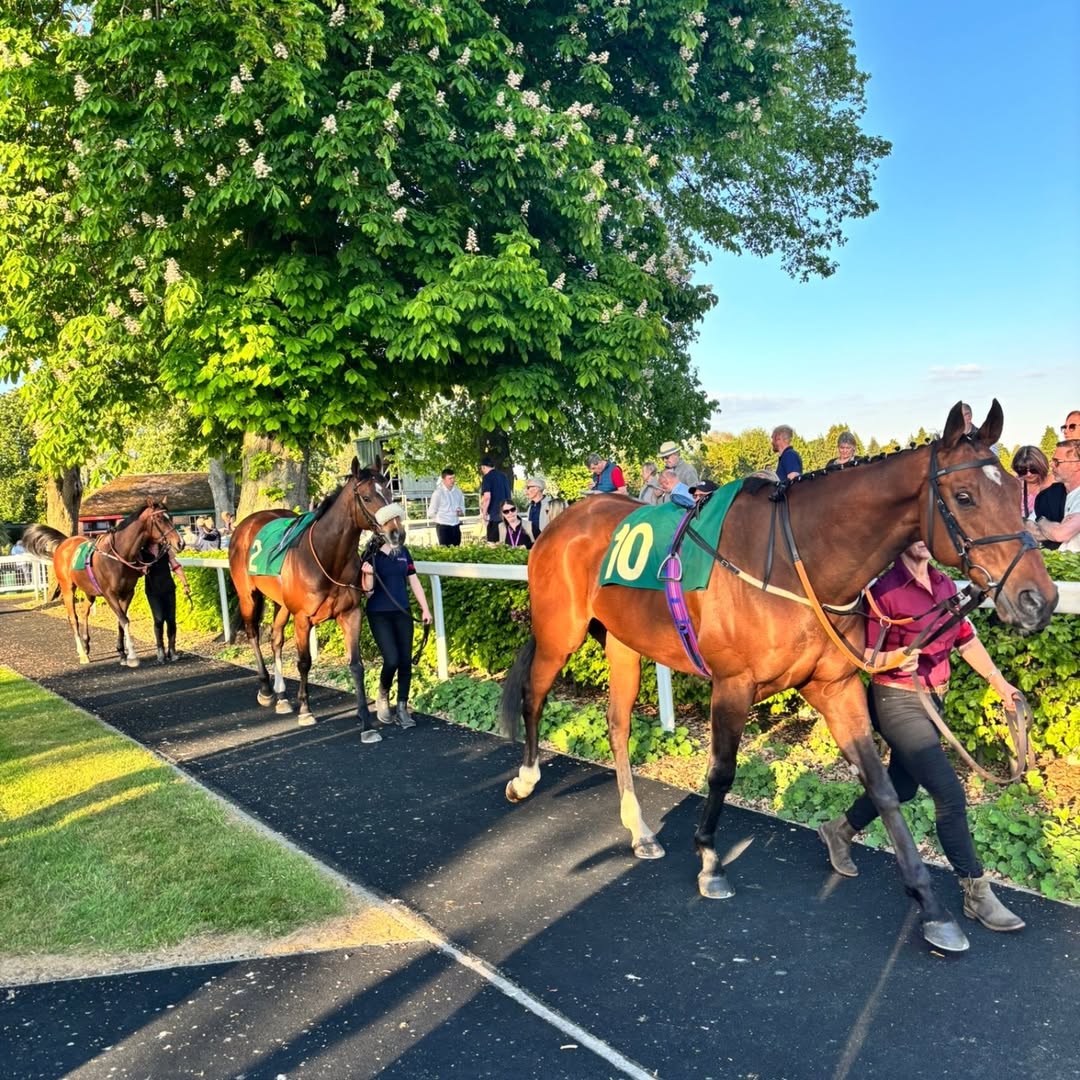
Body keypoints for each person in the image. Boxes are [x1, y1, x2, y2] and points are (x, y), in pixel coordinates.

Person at [817, 539, 1026, 933]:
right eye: (914, 536)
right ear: (899, 542)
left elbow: (965, 638)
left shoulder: (944, 585)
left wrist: (1001, 686)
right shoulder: (883, 592)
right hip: (896, 700)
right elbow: (860, 654)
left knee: (903, 786)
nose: (923, 542)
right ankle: (976, 892)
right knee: (949, 794)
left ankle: (839, 830)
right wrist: (891, 659)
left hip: (935, 699)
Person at [361, 504, 432, 738]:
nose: (397, 526)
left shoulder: (403, 552)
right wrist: (368, 575)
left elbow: (413, 581)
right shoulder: (371, 554)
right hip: (379, 613)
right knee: (391, 659)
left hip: (402, 612)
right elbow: (367, 592)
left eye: (398, 521)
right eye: (393, 523)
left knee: (404, 661)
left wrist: (424, 608)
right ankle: (383, 694)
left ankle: (402, 706)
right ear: (382, 528)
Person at [142, 540, 190, 664]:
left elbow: (175, 565)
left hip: (168, 588)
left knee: (171, 619)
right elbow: (137, 569)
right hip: (152, 590)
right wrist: (142, 569)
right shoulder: (141, 551)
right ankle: (160, 649)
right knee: (158, 619)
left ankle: (172, 649)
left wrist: (185, 583)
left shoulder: (166, 549)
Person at [1031, 440, 1080, 553]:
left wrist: (1041, 520)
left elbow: (1060, 534)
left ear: (1077, 465)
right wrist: (1054, 529)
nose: (1051, 465)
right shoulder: (1048, 495)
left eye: (1057, 461)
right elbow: (1027, 529)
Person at [427, 467, 466, 546]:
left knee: (457, 551)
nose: (453, 480)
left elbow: (462, 509)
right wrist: (440, 520)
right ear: (443, 480)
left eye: (453, 478)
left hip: (456, 526)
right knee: (445, 553)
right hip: (443, 527)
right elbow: (431, 512)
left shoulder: (458, 492)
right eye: (450, 478)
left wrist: (460, 512)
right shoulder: (438, 493)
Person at [1010, 446, 1051, 521]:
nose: (1029, 474)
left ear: (1041, 466)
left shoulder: (1055, 483)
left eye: (1033, 469)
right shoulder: (1013, 486)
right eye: (1022, 471)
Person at [479, 457, 512, 543]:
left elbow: (487, 497)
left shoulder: (487, 477)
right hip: (507, 516)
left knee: (493, 545)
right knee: (507, 544)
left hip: (495, 517)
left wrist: (484, 513)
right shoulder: (504, 476)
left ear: (483, 467)